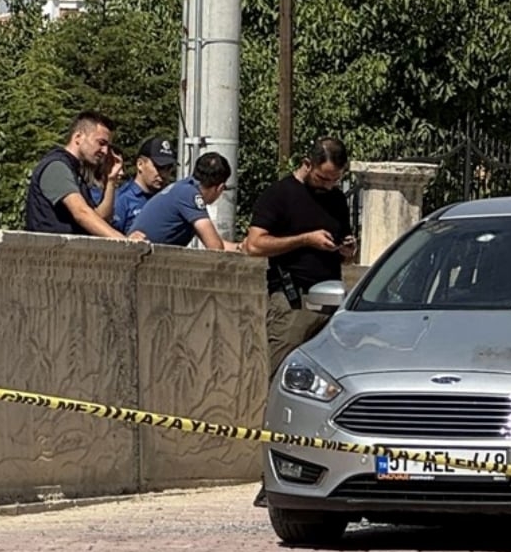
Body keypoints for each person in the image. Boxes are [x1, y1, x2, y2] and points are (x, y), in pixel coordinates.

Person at [243, 136, 356, 377]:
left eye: (335, 180)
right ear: (308, 164)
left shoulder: (336, 199)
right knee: (282, 375)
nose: (328, 185)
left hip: (331, 302)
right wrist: (305, 239)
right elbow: (254, 245)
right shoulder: (280, 194)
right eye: (323, 178)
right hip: (293, 300)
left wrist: (347, 250)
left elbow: (345, 253)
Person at [25, 110, 125, 238]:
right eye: (101, 143)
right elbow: (81, 213)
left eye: (108, 146)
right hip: (49, 255)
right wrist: (124, 243)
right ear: (78, 137)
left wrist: (111, 180)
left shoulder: (76, 171)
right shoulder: (56, 167)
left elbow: (99, 220)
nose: (105, 151)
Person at [127, 151, 239, 250]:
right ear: (220, 188)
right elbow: (215, 247)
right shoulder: (190, 195)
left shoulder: (184, 188)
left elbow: (215, 242)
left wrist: (241, 247)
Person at [113, 136, 178, 234]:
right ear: (140, 164)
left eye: (168, 168)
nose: (164, 174)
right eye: (159, 167)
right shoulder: (122, 200)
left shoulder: (168, 199)